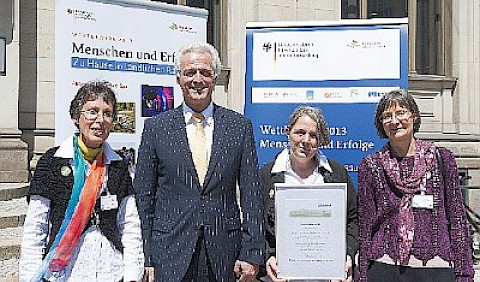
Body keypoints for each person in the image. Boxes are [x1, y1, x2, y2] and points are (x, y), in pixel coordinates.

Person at [134, 42, 264, 282]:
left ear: (215, 77)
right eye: (190, 73)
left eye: (205, 72)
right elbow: (143, 197)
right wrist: (146, 256)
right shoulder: (156, 128)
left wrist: (252, 253)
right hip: (169, 252)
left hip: (224, 253)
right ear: (178, 78)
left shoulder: (239, 127)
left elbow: (252, 194)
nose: (197, 79)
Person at [18, 81, 145, 281]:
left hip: (111, 271)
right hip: (65, 273)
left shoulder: (119, 166)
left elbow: (129, 225)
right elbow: (36, 227)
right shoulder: (51, 162)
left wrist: (132, 275)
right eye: (92, 111)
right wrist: (29, 277)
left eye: (107, 113)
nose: (100, 120)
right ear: (76, 116)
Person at [357, 89, 474, 281]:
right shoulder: (371, 166)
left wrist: (465, 274)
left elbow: (457, 220)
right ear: (381, 124)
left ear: (414, 116)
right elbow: (365, 225)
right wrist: (362, 275)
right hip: (384, 267)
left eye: (401, 112)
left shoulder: (442, 159)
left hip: (436, 268)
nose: (395, 121)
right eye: (387, 116)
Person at [260, 106, 359, 282]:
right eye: (300, 132)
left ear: (320, 140)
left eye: (313, 135)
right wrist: (268, 256)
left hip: (328, 277)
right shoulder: (266, 176)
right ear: (287, 132)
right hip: (280, 276)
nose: (306, 140)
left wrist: (348, 255)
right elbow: (256, 224)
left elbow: (353, 220)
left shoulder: (337, 174)